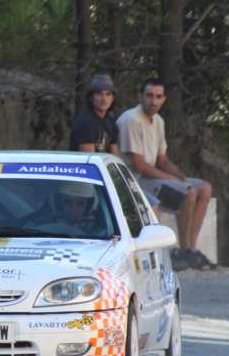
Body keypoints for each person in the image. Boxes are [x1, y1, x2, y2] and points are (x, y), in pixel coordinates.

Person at [116, 78, 214, 269]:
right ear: (140, 97)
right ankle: (183, 250)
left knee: (204, 188)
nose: (153, 101)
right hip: (135, 180)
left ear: (164, 99)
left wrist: (181, 176)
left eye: (158, 97)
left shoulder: (159, 121)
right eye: (149, 96)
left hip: (152, 176)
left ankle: (191, 248)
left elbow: (162, 160)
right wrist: (175, 181)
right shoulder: (131, 120)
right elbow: (140, 166)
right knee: (188, 192)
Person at [69, 74, 120, 155]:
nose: (104, 99)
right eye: (99, 94)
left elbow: (115, 157)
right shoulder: (85, 122)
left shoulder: (111, 122)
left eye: (108, 94)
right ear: (91, 97)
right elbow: (89, 160)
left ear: (113, 98)